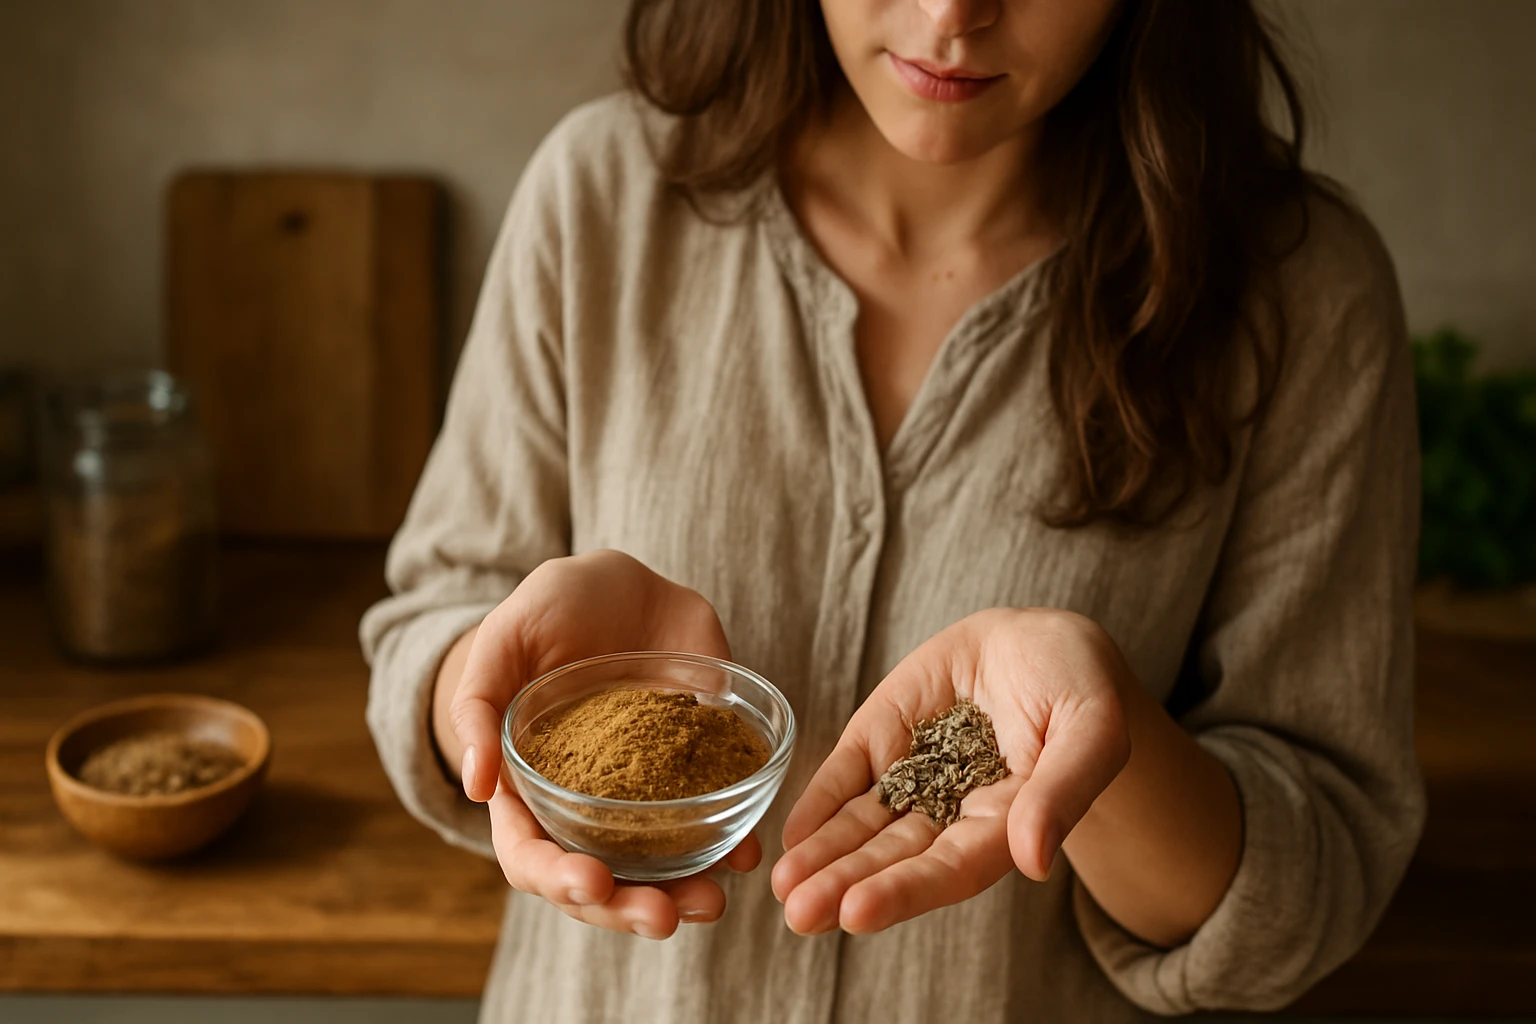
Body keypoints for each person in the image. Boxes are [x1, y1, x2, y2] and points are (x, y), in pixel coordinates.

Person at [360, 0, 1425, 1020]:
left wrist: (1109, 738)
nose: (952, 14)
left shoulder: (1302, 290)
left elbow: (1313, 884)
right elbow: (431, 623)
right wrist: (496, 685)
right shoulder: (604, 192)